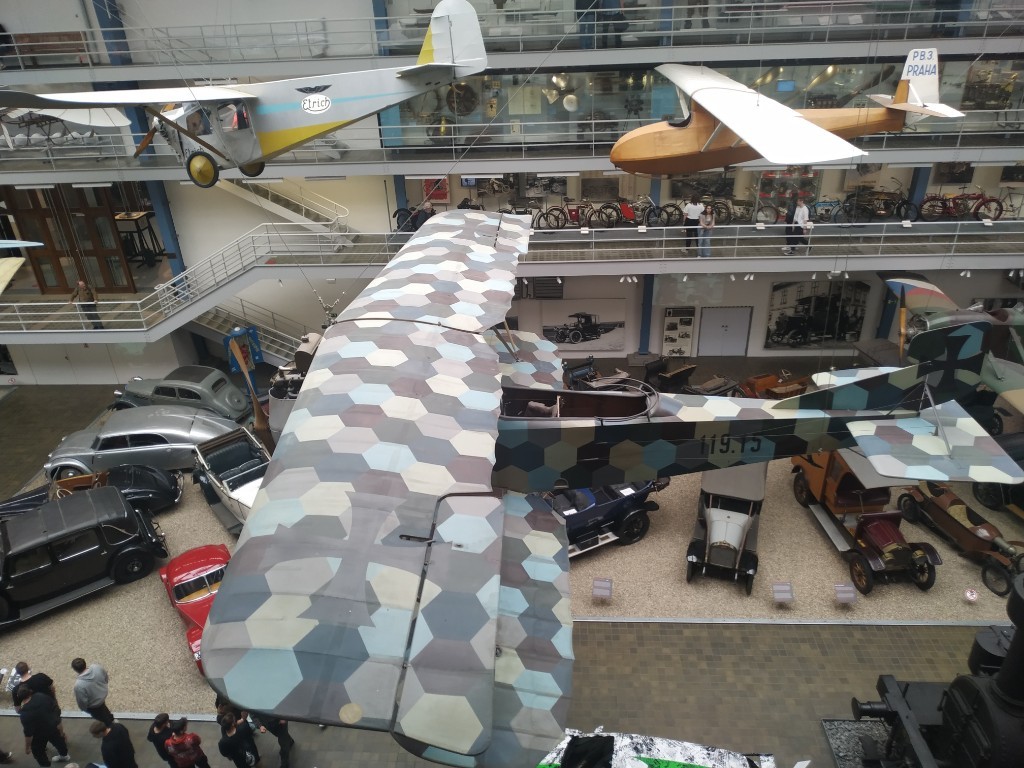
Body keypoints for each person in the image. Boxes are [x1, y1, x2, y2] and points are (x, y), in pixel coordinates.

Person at [16, 686, 70, 767]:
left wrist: (27, 747)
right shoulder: (41, 696)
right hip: (52, 727)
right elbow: (55, 710)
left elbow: (28, 733)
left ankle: (45, 765)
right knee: (59, 741)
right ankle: (64, 755)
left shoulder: (24, 713)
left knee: (38, 752)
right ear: (30, 691)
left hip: (38, 735)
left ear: (20, 698)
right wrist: (60, 728)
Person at [71, 658, 113, 726]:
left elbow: (82, 701)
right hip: (102, 699)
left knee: (102, 719)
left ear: (75, 669)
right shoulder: (96, 667)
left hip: (94, 706)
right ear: (85, 664)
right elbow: (105, 676)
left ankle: (110, 727)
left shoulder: (79, 685)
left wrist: (84, 708)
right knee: (104, 711)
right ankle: (111, 720)